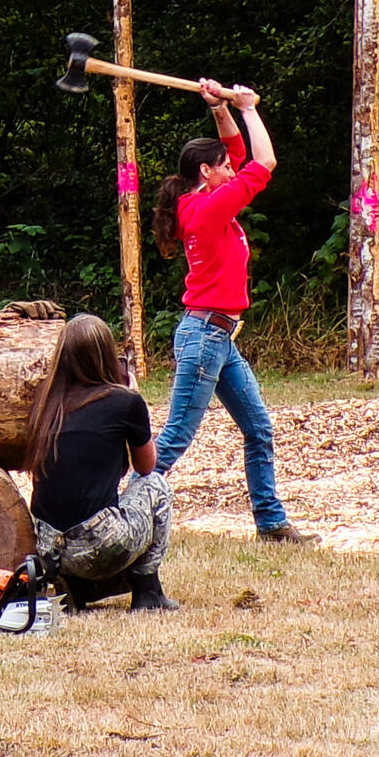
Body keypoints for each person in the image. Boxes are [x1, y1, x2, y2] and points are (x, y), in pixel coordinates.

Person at [150, 81, 309, 543]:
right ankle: (121, 514)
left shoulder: (200, 198)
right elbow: (263, 162)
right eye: (223, 165)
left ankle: (272, 524)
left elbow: (237, 152)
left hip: (218, 337)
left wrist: (220, 108)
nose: (231, 168)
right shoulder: (208, 207)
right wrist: (249, 107)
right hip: (205, 337)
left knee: (258, 428)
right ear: (207, 170)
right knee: (174, 440)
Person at [26, 314, 178, 612]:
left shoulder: (46, 402)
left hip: (48, 548)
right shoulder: (125, 402)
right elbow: (146, 467)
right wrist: (135, 396)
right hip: (99, 542)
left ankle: (75, 586)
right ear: (109, 355)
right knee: (155, 486)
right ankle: (148, 590)